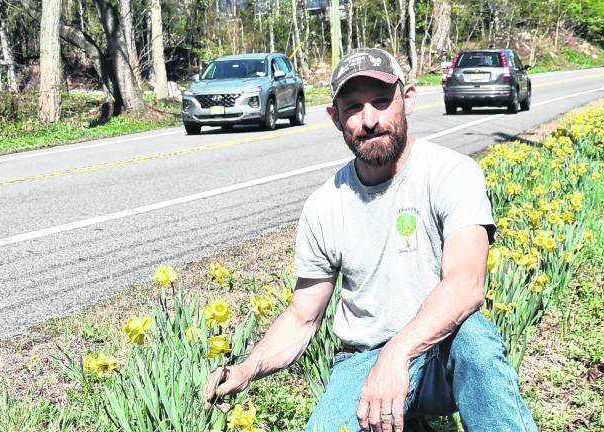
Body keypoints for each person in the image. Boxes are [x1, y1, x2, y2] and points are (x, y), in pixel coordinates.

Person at [202, 47, 537, 432]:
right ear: (334, 117)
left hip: (441, 352)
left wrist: (397, 354)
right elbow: (302, 316)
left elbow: (466, 283)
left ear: (407, 100)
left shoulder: (450, 173)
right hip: (363, 359)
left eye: (381, 101)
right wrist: (247, 368)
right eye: (354, 108)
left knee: (475, 339)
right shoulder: (325, 205)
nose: (370, 120)